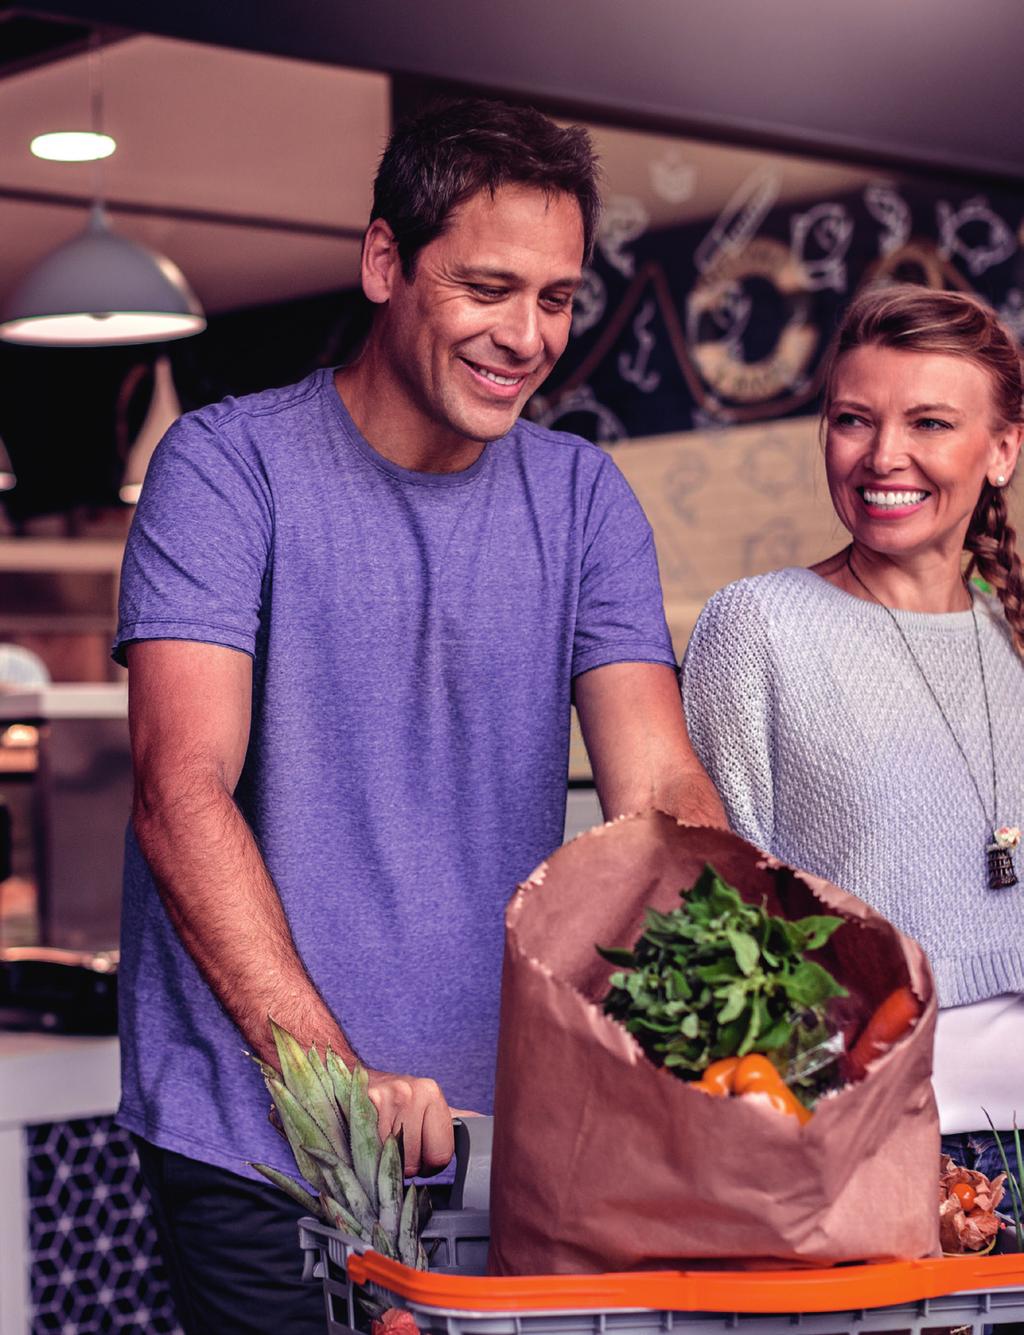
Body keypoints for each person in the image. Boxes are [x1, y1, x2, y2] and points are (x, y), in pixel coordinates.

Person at [116, 97, 725, 1333]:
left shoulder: (579, 498)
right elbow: (182, 792)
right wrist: (336, 1086)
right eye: (488, 288)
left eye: (554, 298)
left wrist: (738, 1017)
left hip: (508, 1140)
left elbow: (658, 796)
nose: (526, 335)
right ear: (385, 261)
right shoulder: (229, 469)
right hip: (265, 1130)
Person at [682, 283, 1024, 1201]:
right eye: (853, 419)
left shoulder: (1017, 638)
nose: (884, 456)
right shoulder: (759, 627)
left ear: (1002, 451)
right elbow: (724, 912)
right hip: (869, 1152)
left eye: (929, 423)